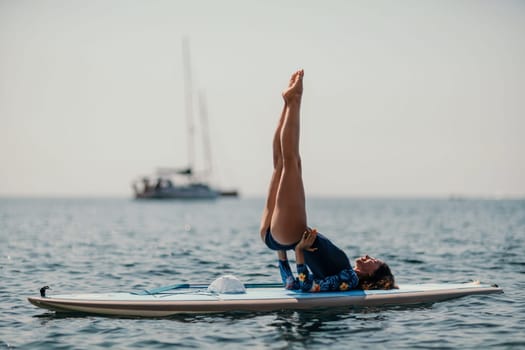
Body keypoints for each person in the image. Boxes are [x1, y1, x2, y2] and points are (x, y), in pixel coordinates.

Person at [259, 69, 395, 292]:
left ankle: (294, 100)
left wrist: (300, 251)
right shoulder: (344, 274)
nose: (370, 257)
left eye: (376, 262)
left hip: (287, 236)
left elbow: (307, 287)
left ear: (373, 275)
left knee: (291, 162)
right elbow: (290, 284)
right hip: (275, 237)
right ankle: (288, 103)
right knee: (283, 164)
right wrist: (282, 253)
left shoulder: (350, 280)